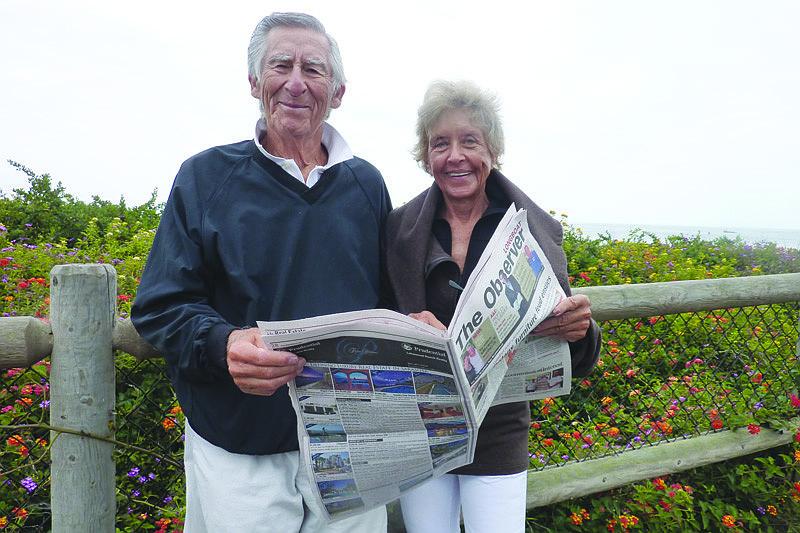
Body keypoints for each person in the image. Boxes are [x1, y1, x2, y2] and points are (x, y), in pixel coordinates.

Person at [131, 12, 390, 533]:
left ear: (337, 92)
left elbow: (390, 298)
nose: (296, 82)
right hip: (238, 443)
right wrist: (223, 345)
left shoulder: (368, 185)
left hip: (350, 443)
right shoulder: (204, 177)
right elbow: (159, 305)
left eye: (314, 69)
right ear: (255, 82)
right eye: (281, 65)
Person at [382, 80, 602, 533]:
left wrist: (580, 329)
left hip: (499, 434)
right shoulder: (398, 228)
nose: (455, 156)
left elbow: (573, 352)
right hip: (423, 431)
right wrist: (403, 325)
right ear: (426, 156)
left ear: (492, 151)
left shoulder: (532, 229)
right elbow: (378, 314)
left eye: (470, 141)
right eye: (440, 143)